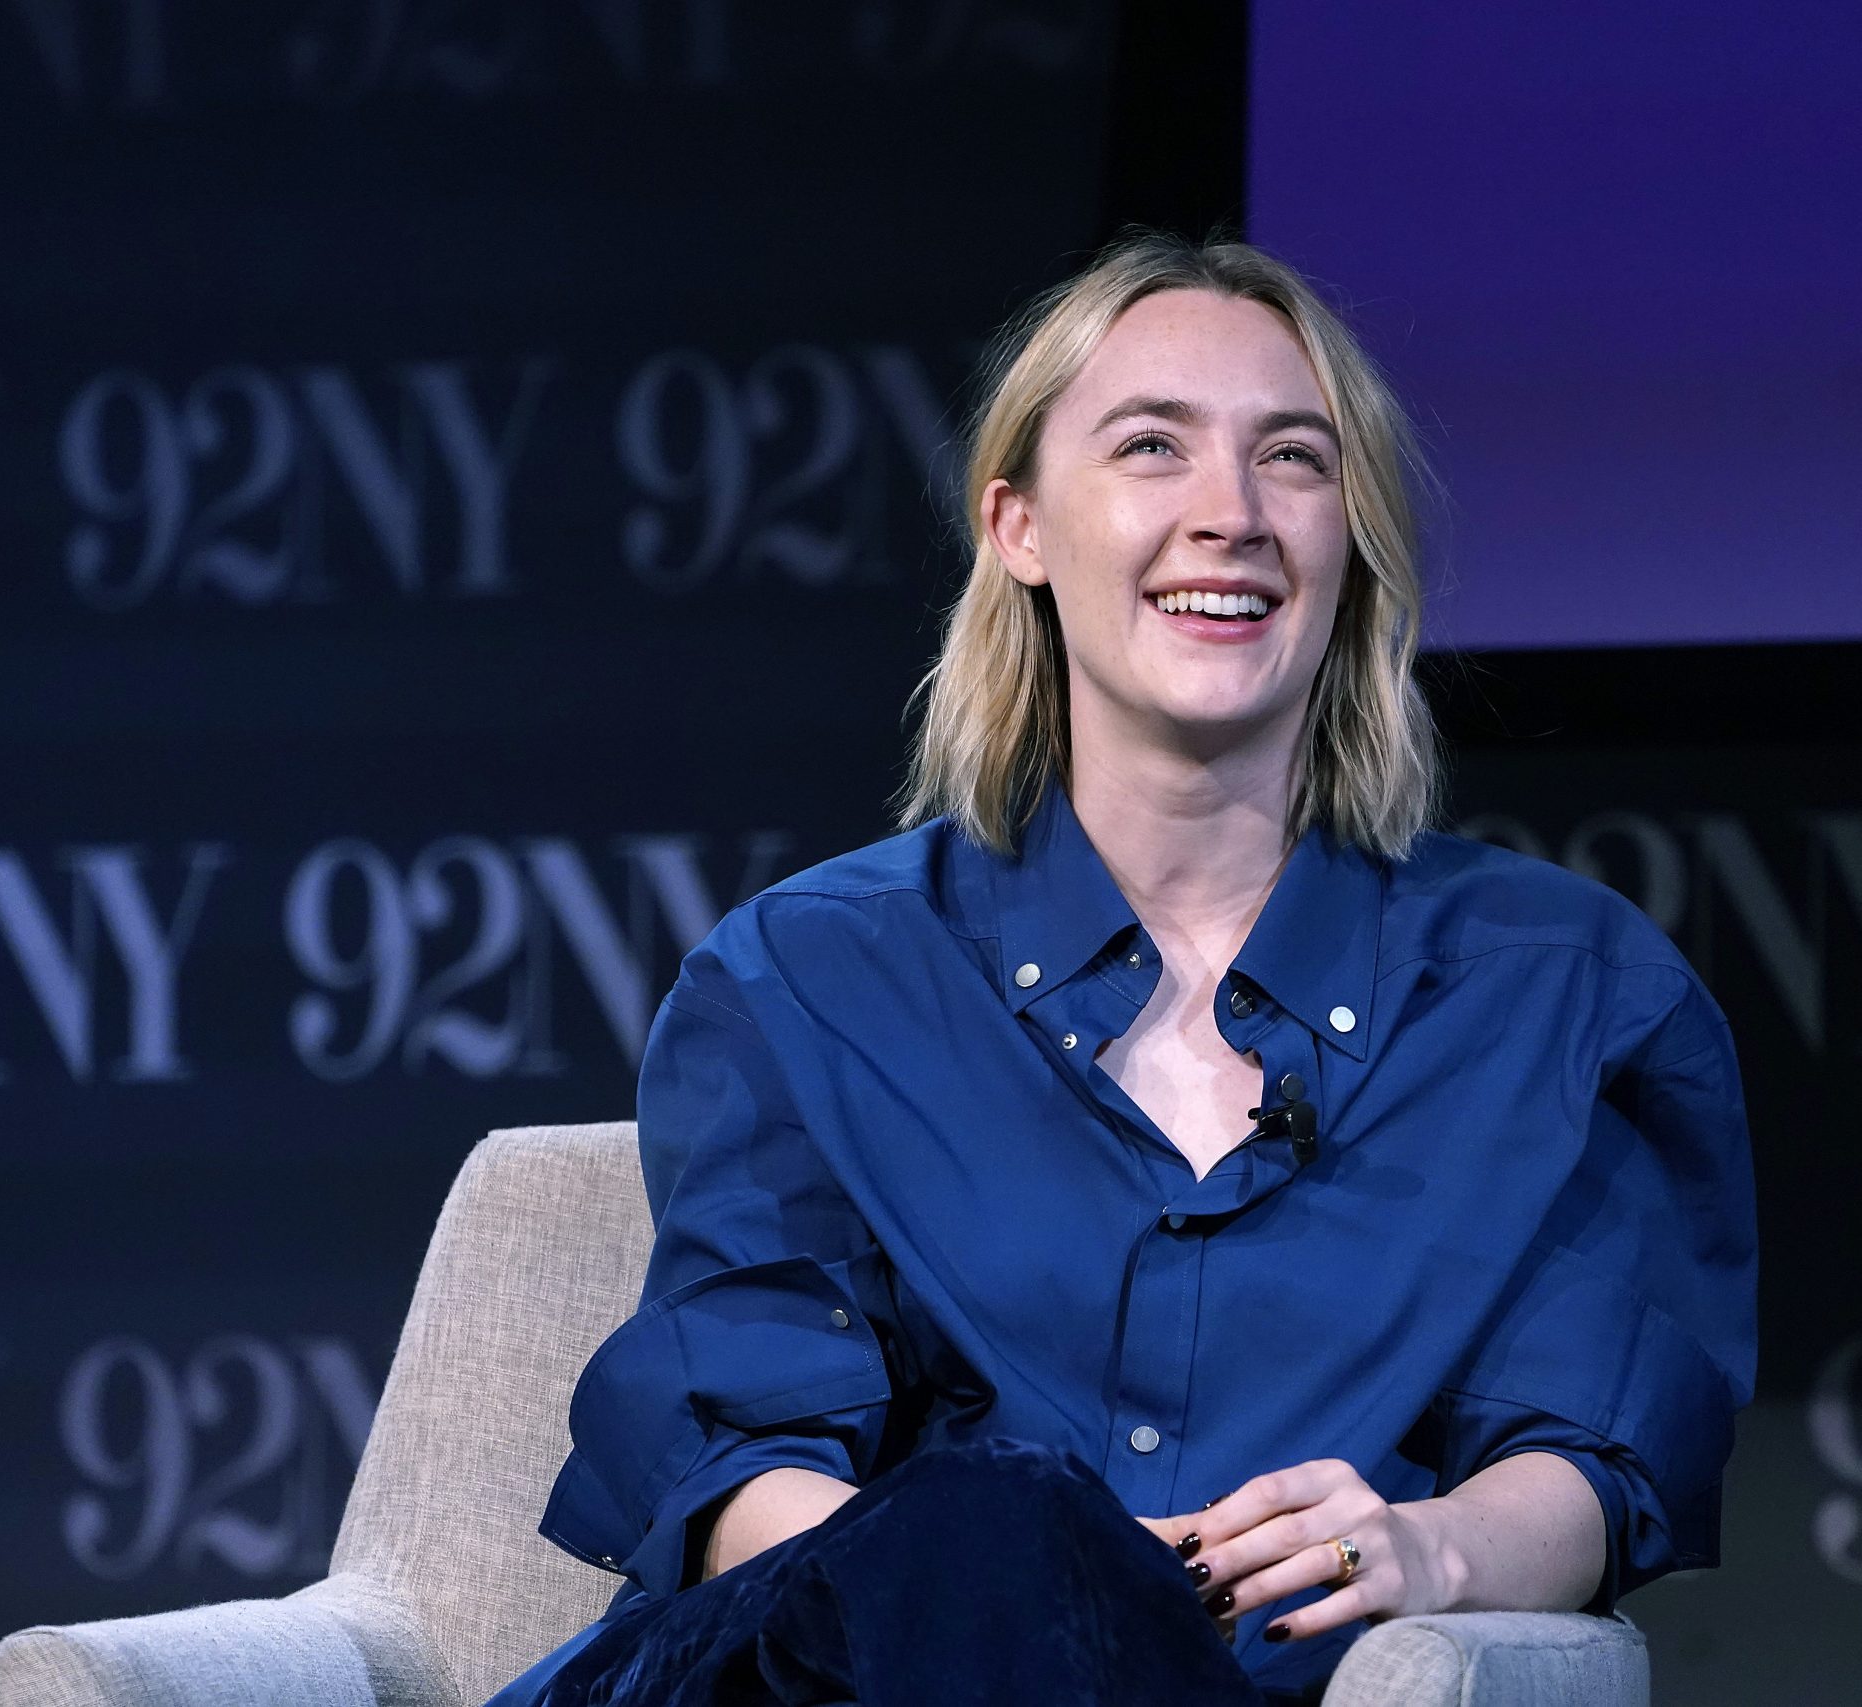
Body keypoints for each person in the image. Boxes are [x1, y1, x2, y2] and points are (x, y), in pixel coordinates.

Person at [488, 232, 1758, 1706]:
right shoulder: (811, 975)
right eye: (1152, 448)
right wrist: (1000, 1602)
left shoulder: (1566, 993)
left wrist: (1430, 1551)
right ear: (1019, 528)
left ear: (1354, 541)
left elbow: (1597, 1446)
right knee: (1003, 1523)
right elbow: (747, 1463)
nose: (1230, 514)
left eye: (1293, 458)